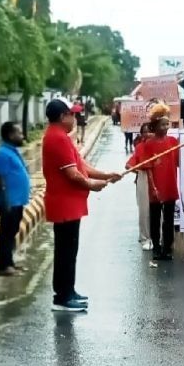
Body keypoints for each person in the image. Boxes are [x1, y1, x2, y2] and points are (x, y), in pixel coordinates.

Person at [42, 97, 121, 312]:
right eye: (72, 114)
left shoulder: (62, 137)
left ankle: (68, 290)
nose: (76, 117)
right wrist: (93, 184)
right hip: (64, 203)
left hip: (70, 204)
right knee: (66, 251)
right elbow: (73, 174)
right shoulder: (57, 138)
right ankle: (63, 296)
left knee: (70, 249)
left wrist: (105, 174)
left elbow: (80, 164)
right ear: (62, 116)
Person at [130, 103, 179, 261]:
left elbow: (179, 162)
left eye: (167, 124)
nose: (166, 127)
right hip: (155, 187)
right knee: (155, 218)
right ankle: (156, 248)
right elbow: (149, 167)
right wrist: (153, 187)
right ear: (155, 126)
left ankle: (167, 247)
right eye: (163, 124)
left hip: (170, 184)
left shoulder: (173, 141)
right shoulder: (148, 144)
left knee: (169, 219)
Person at [0, 122, 30, 276]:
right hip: (8, 202)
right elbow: (0, 180)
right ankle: (3, 265)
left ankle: (9, 263)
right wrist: (6, 202)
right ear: (10, 135)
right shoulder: (1, 154)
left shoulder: (12, 151)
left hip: (16, 201)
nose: (22, 136)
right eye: (19, 133)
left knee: (12, 231)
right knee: (6, 233)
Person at [126, 123, 153, 250]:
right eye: (145, 132)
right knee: (144, 210)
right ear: (141, 134)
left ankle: (157, 237)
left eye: (150, 131)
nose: (147, 134)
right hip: (143, 178)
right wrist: (140, 172)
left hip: (158, 177)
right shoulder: (140, 147)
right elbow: (128, 165)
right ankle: (145, 238)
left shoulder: (159, 145)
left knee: (159, 210)